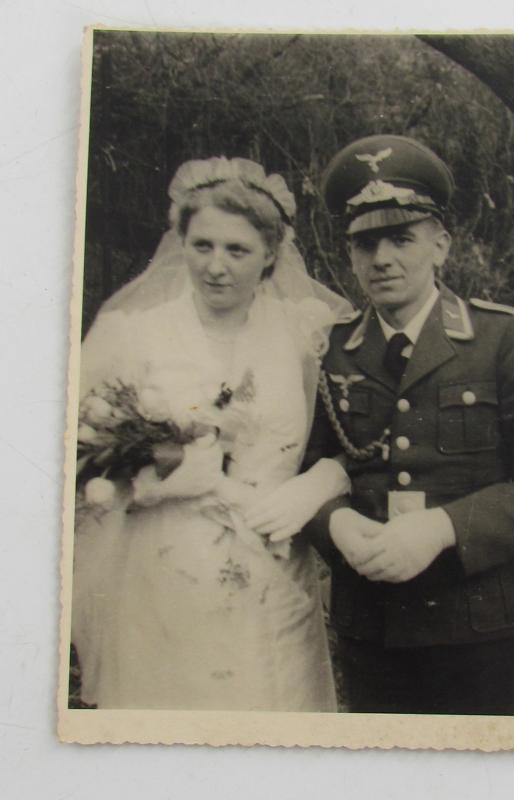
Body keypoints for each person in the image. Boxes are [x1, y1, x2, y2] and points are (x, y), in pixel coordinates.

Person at [71, 157, 352, 711]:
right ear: (180, 241)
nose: (216, 266)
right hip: (163, 571)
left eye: (237, 250)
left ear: (271, 253)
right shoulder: (133, 335)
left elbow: (349, 433)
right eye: (202, 246)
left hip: (274, 564)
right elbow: (78, 454)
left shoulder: (306, 331)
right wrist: (159, 478)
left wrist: (322, 479)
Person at [304, 135, 514, 715]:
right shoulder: (329, 349)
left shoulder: (502, 339)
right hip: (371, 627)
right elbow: (305, 469)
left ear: (440, 245)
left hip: (477, 626)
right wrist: (335, 527)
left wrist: (441, 528)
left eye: (401, 238)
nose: (382, 258)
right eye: (365, 242)